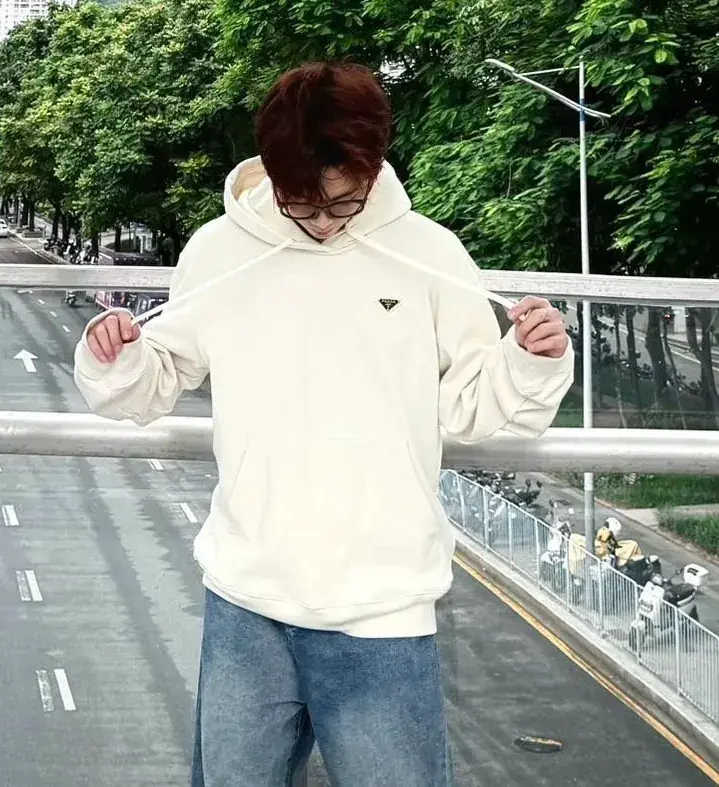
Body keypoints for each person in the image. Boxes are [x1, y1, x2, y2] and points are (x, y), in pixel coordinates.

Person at [74, 61, 574, 787]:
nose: (321, 222)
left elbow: (470, 405)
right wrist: (115, 354)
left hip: (382, 607)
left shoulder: (429, 253)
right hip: (246, 596)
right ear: (272, 173)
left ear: (372, 166)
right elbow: (150, 385)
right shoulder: (218, 250)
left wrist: (530, 359)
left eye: (342, 202)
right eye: (300, 203)